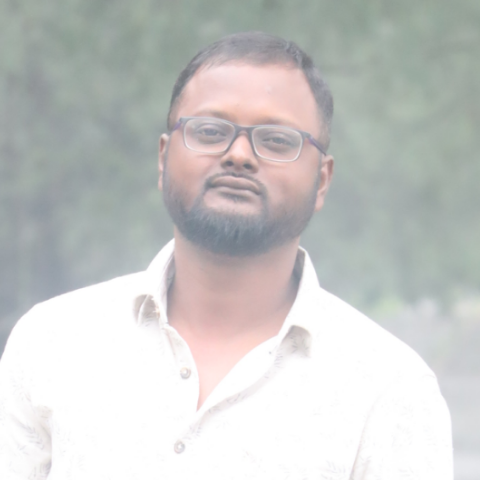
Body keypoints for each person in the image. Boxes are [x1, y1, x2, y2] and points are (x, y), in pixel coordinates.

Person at [0, 32, 452, 479]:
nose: (238, 155)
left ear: (322, 181)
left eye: (277, 140)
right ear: (163, 158)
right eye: (210, 131)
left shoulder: (390, 391)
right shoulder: (51, 342)